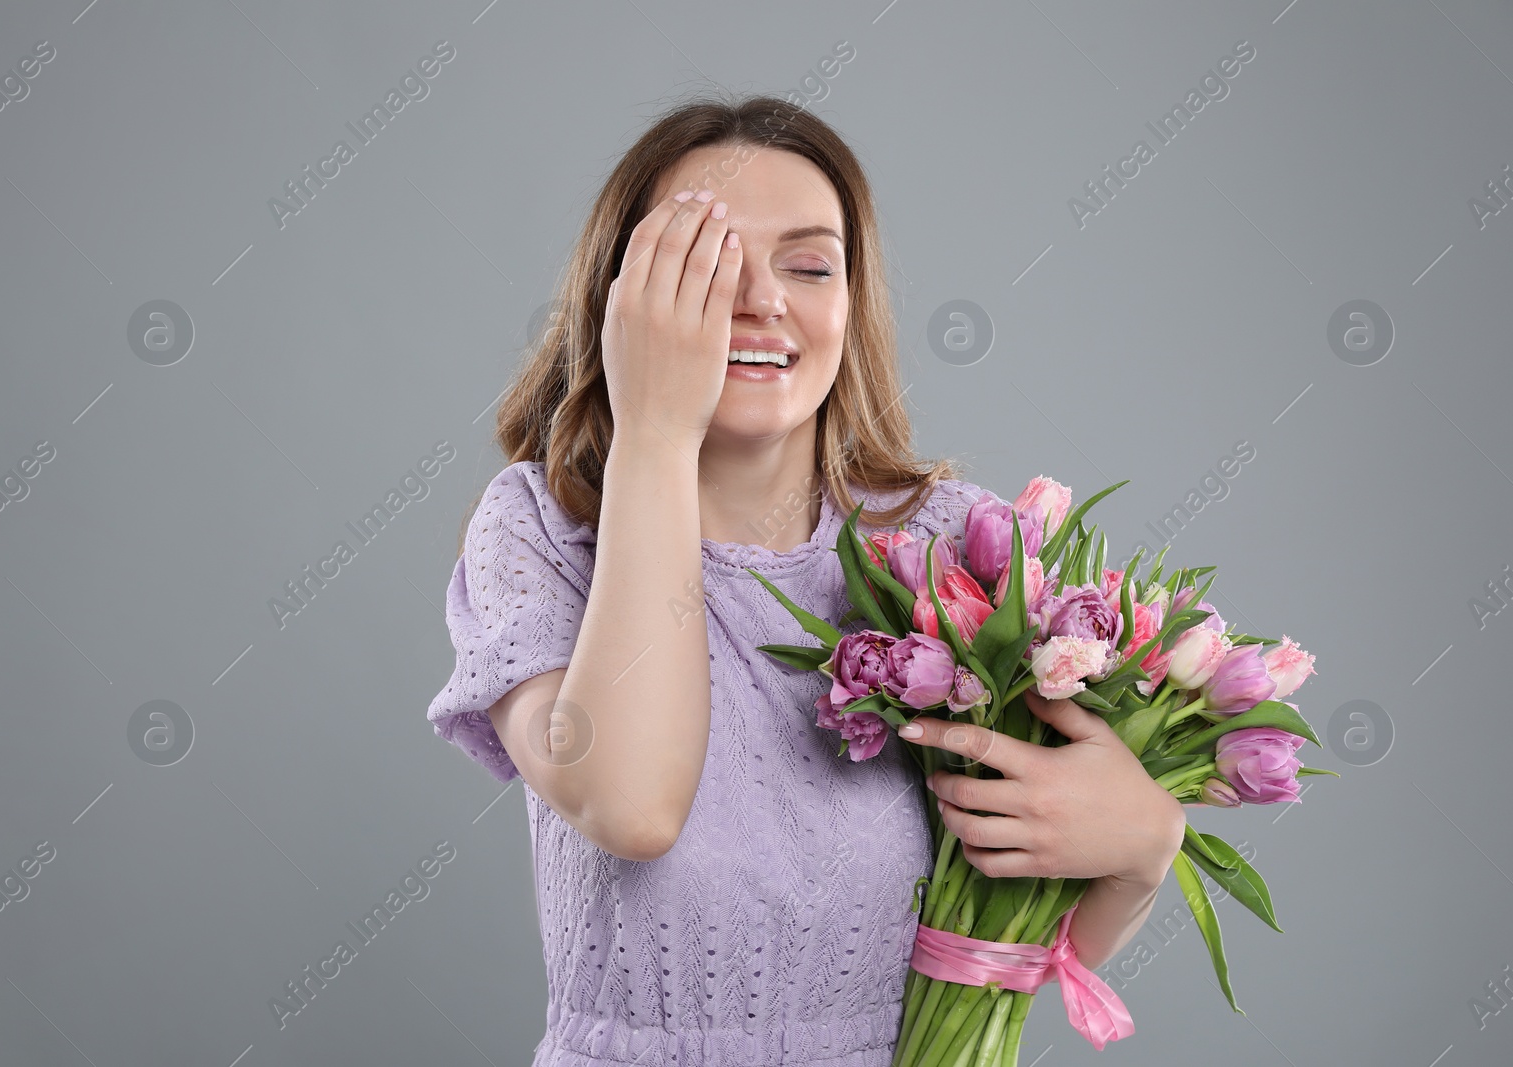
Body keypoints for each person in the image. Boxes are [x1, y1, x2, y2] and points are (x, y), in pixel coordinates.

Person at [426, 92, 1184, 1066]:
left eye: (810, 264)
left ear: (851, 298)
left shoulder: (956, 542)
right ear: (624, 301)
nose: (763, 299)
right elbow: (632, 806)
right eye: (704, 266)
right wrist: (655, 433)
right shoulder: (539, 528)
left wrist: (1140, 849)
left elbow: (1005, 946)